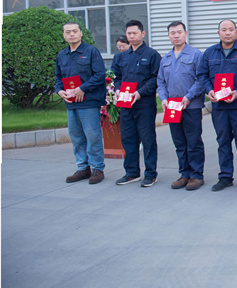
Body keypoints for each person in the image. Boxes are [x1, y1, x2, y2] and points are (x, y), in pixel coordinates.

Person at [198, 19, 237, 193]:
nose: (227, 33)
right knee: (223, 141)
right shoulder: (210, 52)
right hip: (219, 106)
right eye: (224, 30)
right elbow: (202, 75)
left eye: (231, 29)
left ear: (236, 32)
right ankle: (225, 177)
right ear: (219, 33)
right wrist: (209, 90)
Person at [55, 21, 107, 185]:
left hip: (89, 102)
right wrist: (59, 91)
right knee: (76, 136)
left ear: (81, 33)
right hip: (71, 103)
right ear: (64, 35)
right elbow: (58, 77)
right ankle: (83, 168)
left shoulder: (91, 52)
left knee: (92, 135)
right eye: (68, 32)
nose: (72, 34)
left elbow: (100, 74)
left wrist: (83, 88)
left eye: (75, 31)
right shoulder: (62, 55)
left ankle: (97, 168)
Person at [157, 21, 206, 191]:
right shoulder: (166, 58)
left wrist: (188, 96)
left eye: (179, 32)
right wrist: (163, 99)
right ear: (169, 35)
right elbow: (161, 82)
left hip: (191, 105)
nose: (176, 35)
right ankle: (184, 173)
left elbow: (201, 79)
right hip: (172, 107)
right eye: (172, 33)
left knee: (193, 141)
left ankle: (196, 175)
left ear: (185, 33)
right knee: (179, 141)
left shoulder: (195, 55)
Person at [112, 20, 161, 187]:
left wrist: (139, 93)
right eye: (129, 33)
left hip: (144, 104)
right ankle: (131, 172)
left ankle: (151, 174)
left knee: (148, 139)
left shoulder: (152, 55)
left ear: (143, 33)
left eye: (135, 33)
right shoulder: (121, 56)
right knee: (128, 139)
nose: (132, 36)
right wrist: (117, 90)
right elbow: (117, 77)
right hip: (126, 104)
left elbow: (156, 78)